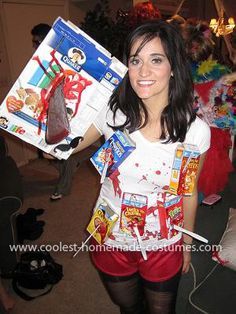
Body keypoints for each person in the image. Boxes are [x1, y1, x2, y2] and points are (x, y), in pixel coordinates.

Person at [72, 20, 210, 314]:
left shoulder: (195, 132)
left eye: (156, 60)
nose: (143, 72)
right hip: (110, 236)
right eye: (136, 60)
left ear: (173, 67)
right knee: (129, 307)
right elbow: (58, 148)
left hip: (164, 243)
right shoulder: (112, 113)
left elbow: (189, 192)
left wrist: (186, 244)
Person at [184, 20, 235, 198]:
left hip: (186, 131)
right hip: (212, 134)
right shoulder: (221, 74)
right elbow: (228, 110)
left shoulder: (180, 75)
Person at [31, 23, 81, 200]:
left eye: (37, 41)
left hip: (66, 106)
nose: (34, 45)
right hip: (47, 106)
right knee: (43, 149)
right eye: (34, 42)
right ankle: (70, 167)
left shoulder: (62, 55)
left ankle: (63, 186)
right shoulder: (40, 57)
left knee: (61, 147)